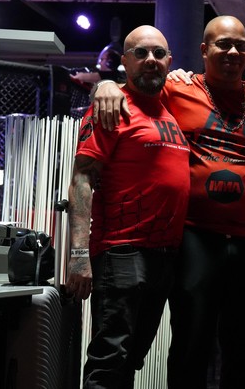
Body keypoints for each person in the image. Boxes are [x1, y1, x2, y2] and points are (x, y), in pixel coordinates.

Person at [91, 15, 245, 389]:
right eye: (223, 44)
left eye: (240, 46)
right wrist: (105, 84)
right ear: (204, 50)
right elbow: (136, 85)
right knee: (191, 342)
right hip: (194, 237)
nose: (232, 52)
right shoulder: (175, 89)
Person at [65, 25, 190, 388]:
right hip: (121, 250)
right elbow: (82, 179)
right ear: (125, 61)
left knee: (132, 358)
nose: (151, 60)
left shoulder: (169, 110)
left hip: (164, 254)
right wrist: (79, 256)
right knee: (110, 359)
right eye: (141, 53)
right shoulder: (112, 108)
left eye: (159, 54)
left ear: (169, 61)